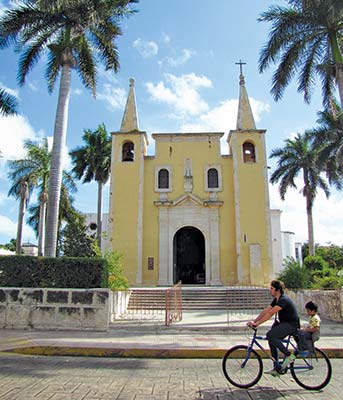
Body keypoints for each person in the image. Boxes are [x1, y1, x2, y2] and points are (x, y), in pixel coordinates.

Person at [247, 280, 299, 376]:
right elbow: (266, 310)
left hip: (291, 325)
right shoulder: (276, 299)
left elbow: (271, 313)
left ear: (277, 290)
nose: (270, 290)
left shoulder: (283, 300)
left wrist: (257, 324)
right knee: (271, 339)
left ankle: (289, 355)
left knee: (270, 335)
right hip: (284, 324)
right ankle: (277, 367)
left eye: (272, 288)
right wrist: (254, 321)